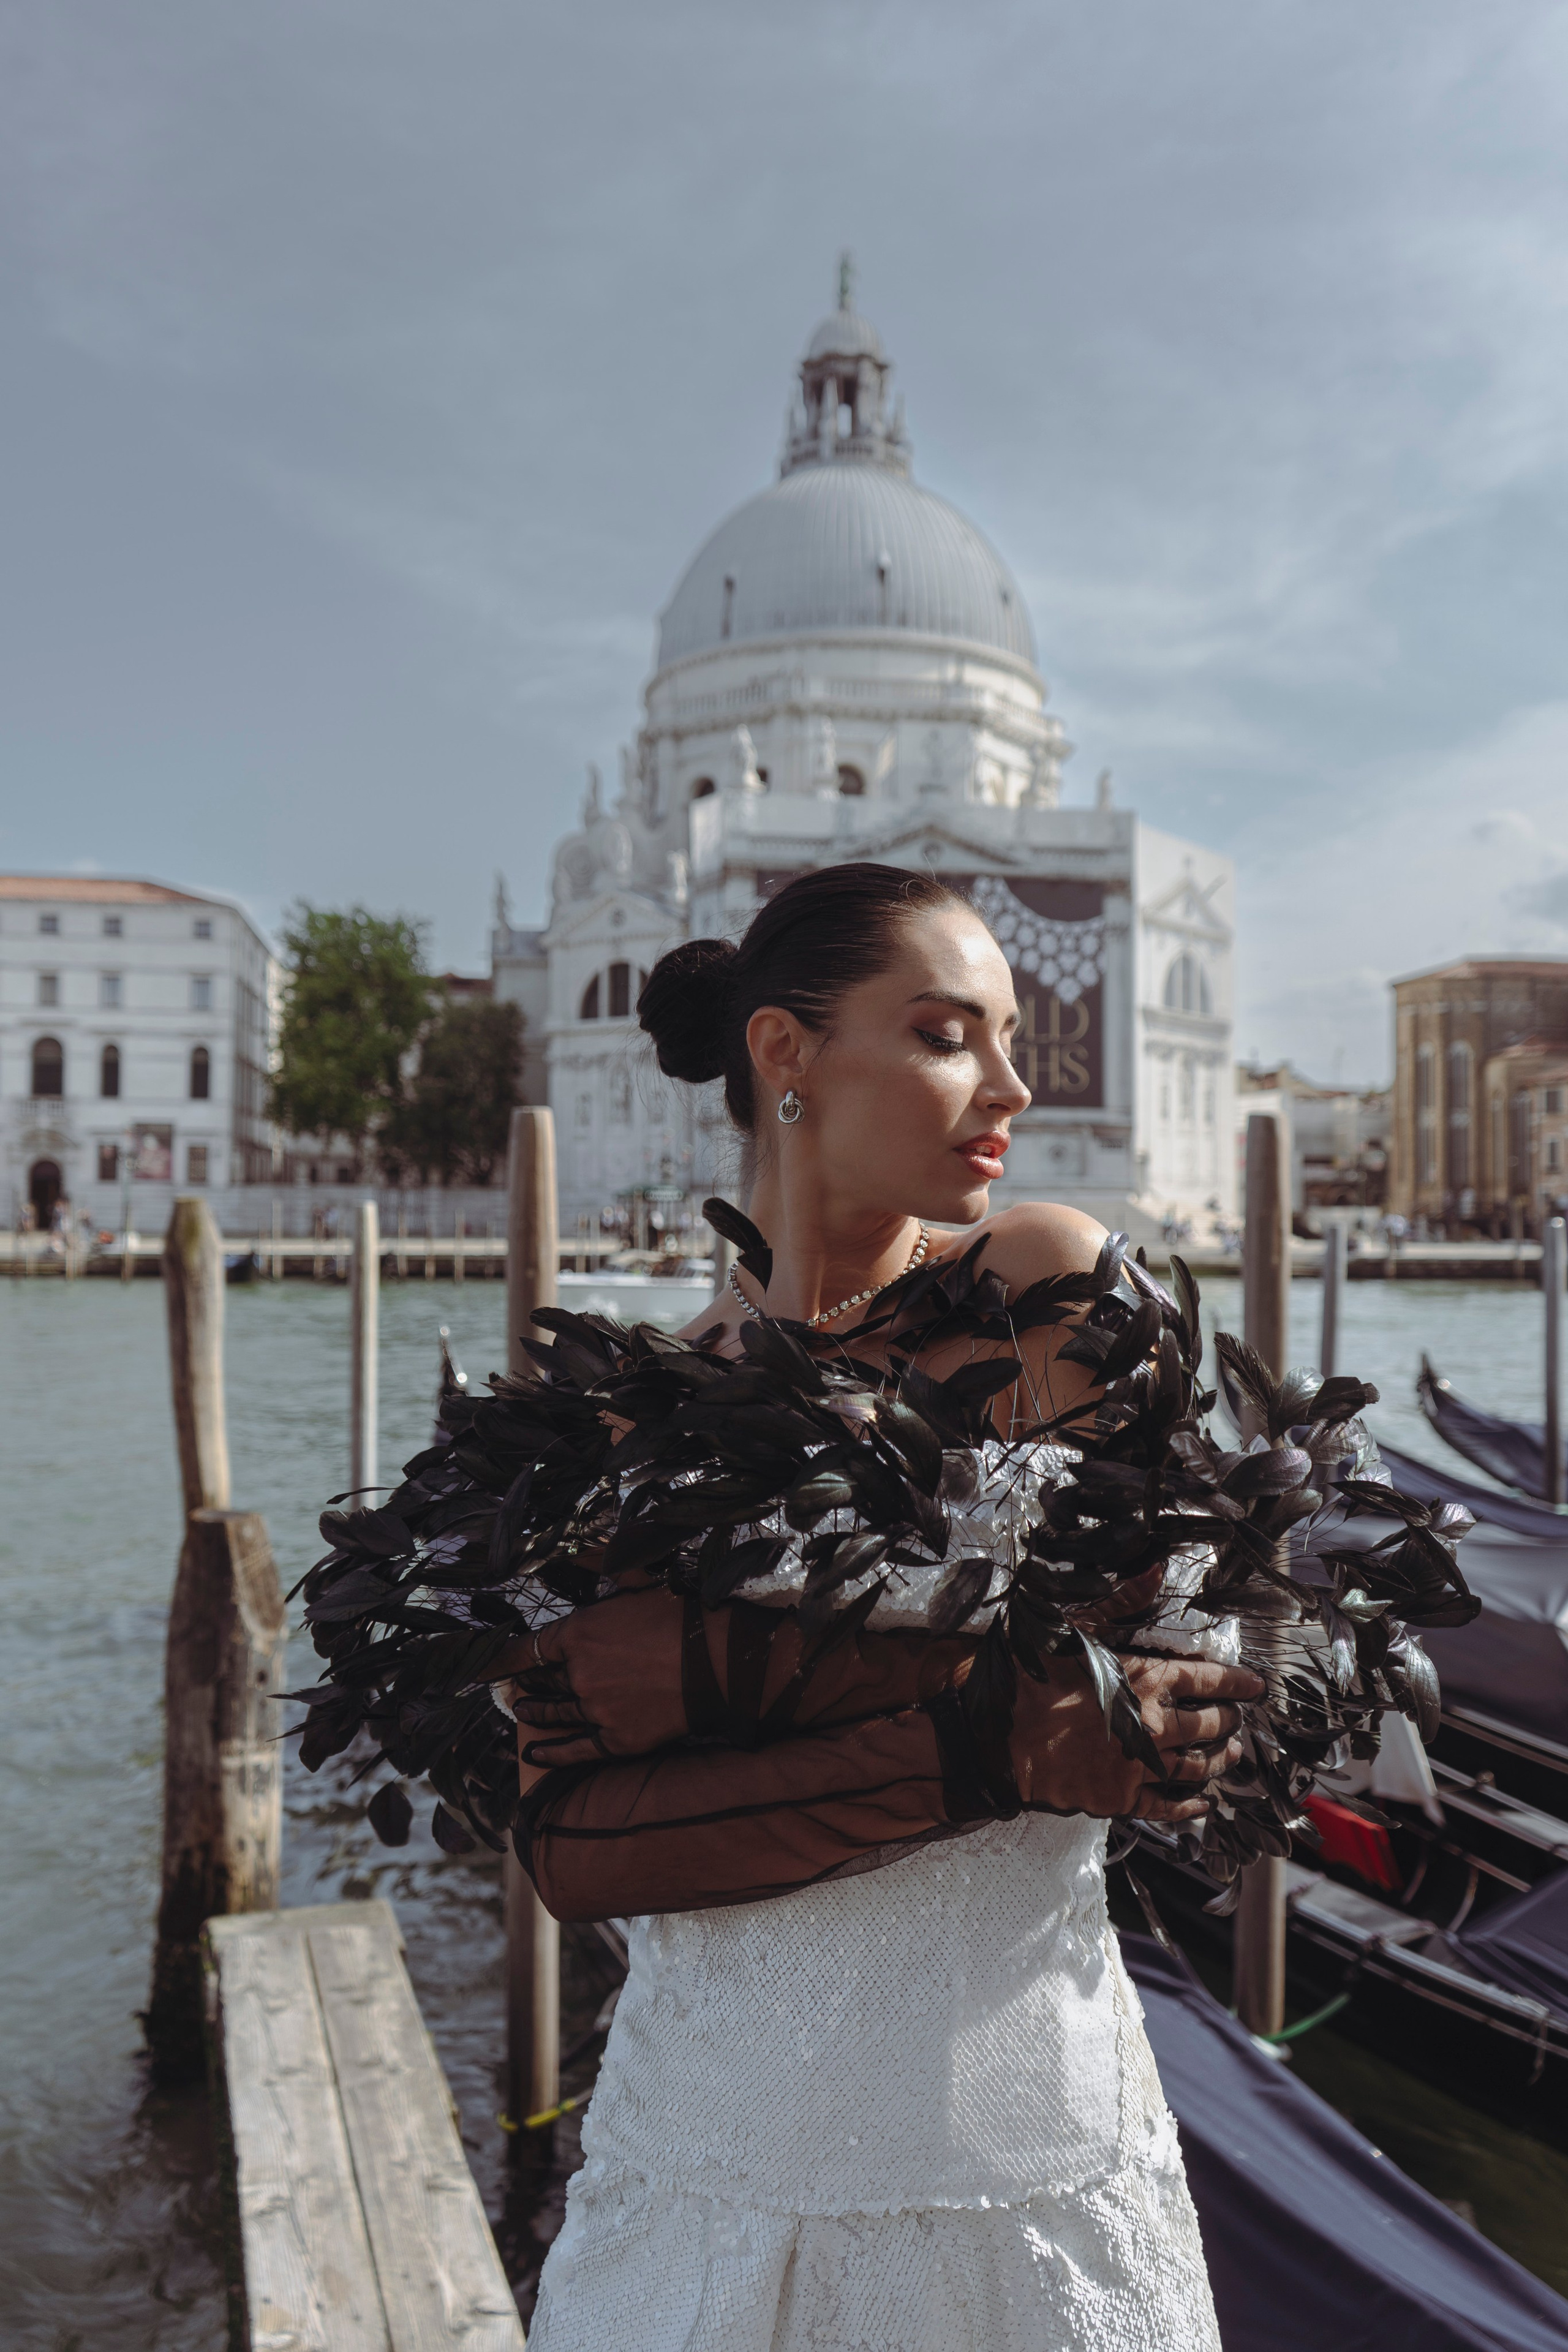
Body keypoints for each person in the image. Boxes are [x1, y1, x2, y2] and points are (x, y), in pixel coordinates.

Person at [510, 864, 1260, 2352]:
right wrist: (988, 1742)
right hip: (702, 2147)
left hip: (1017, 2147)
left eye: (1004, 1034)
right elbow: (572, 1845)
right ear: (785, 1055)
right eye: (941, 1034)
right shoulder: (628, 1411)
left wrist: (689, 1690)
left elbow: (1177, 1704)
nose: (1008, 1083)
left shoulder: (1044, 1290)